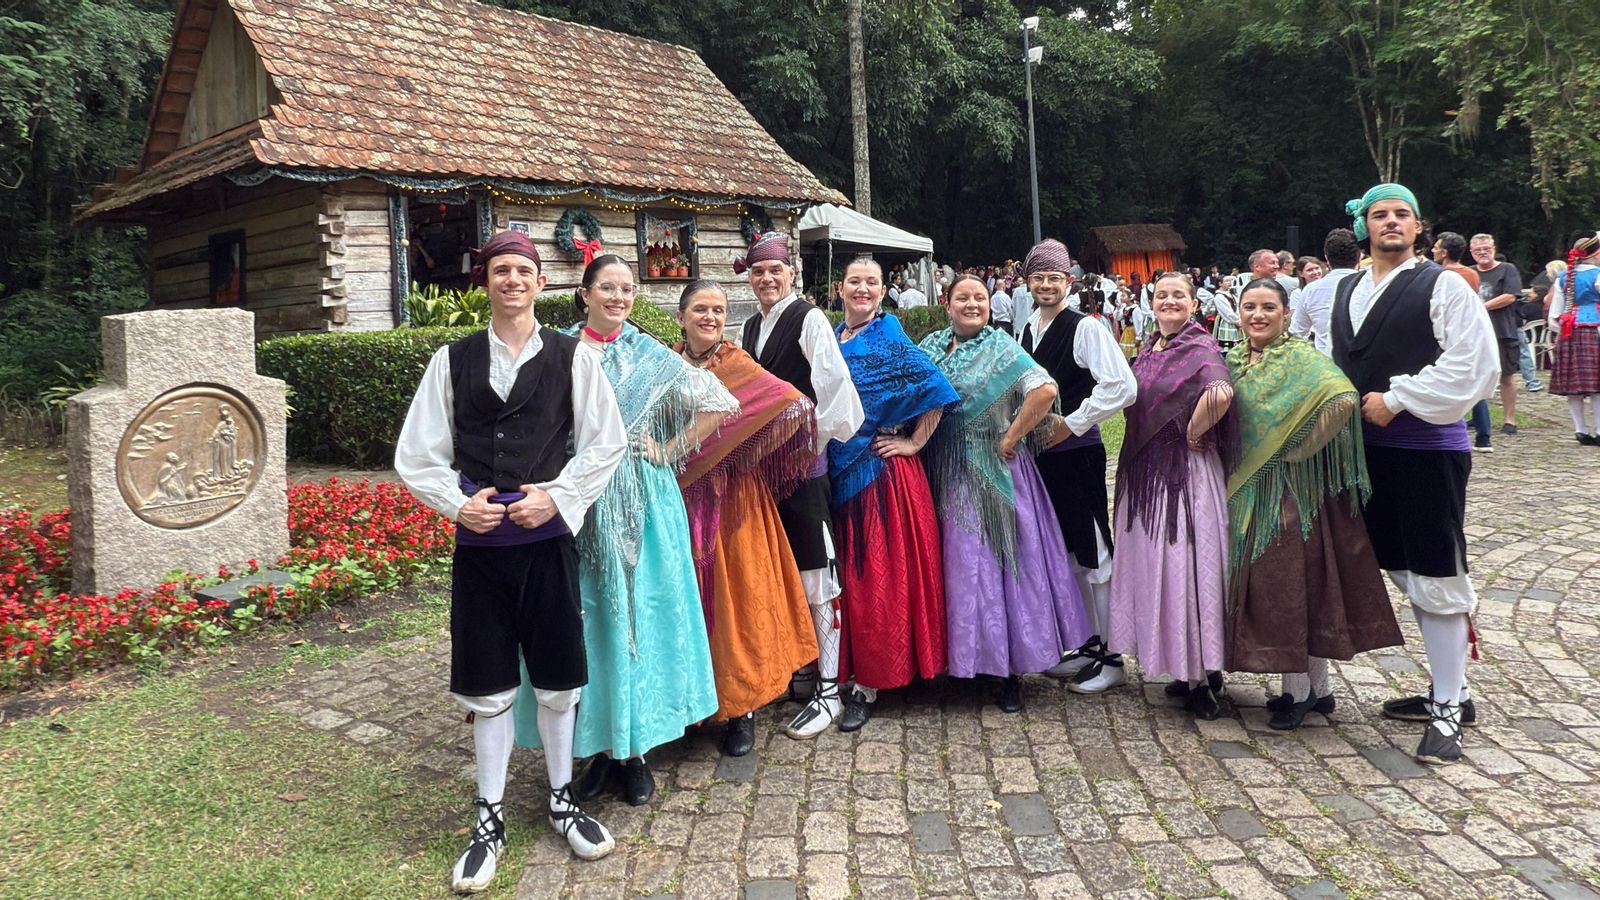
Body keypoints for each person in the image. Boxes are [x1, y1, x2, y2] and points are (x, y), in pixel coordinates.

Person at [394, 230, 626, 889]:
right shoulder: (453, 359)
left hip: (547, 545)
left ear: (540, 282)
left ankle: (561, 799)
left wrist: (554, 498)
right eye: (501, 271)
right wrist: (456, 505)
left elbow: (605, 444)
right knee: (489, 686)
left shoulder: (572, 356)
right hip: (480, 552)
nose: (513, 281)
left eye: (523, 270)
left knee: (557, 682)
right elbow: (417, 454)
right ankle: (488, 817)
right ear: (486, 280)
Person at [513, 256, 735, 808]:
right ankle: (592, 750)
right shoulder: (555, 350)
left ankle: (633, 752)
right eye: (607, 288)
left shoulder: (650, 354)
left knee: (636, 618)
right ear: (584, 294)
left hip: (644, 501)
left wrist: (667, 448)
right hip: (576, 504)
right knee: (586, 621)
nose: (618, 297)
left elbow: (718, 403)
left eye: (627, 289)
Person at [1330, 184, 1497, 765]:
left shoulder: (1444, 284)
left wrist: (1399, 398)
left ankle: (1449, 704)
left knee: (1434, 569)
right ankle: (1457, 687)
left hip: (1426, 448)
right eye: (1380, 215)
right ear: (1363, 227)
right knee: (1396, 564)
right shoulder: (1348, 288)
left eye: (1402, 213)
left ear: (1419, 226)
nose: (1392, 222)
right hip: (1363, 453)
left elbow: (1474, 363)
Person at [1223, 278, 1402, 730]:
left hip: (1290, 498)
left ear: (1287, 314)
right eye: (1249, 307)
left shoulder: (1303, 359)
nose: (1258, 315)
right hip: (1252, 493)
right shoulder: (1236, 359)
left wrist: (1299, 449)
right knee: (1287, 589)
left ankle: (1296, 694)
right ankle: (1319, 691)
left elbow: (1341, 396)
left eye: (1268, 307)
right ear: (1238, 313)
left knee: (1289, 588)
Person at [918, 274, 1090, 712]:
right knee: (954, 571)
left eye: (979, 297)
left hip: (993, 472)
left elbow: (1046, 389)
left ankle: (1009, 669)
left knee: (997, 569)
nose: (972, 304)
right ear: (947, 302)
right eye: (963, 298)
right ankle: (963, 661)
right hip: (939, 470)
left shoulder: (1001, 347)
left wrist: (1011, 438)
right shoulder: (932, 347)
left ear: (989, 305)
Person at [812, 257, 958, 734]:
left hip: (880, 475)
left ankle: (870, 682)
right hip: (837, 469)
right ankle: (844, 666)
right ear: (840, 287)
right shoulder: (833, 337)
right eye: (855, 281)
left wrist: (914, 441)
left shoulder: (890, 337)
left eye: (871, 282)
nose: (862, 289)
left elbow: (936, 387)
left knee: (872, 577)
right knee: (843, 578)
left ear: (882, 290)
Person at [673, 279, 822, 747]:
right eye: (700, 309)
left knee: (737, 598)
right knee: (691, 601)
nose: (710, 317)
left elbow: (793, 405)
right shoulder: (668, 364)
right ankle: (693, 704)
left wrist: (748, 452)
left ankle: (743, 709)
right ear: (681, 317)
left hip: (734, 500)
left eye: (718, 310)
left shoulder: (736, 363)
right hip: (680, 497)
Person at [737, 233, 865, 756]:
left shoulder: (808, 319)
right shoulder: (748, 326)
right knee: (781, 565)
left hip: (803, 468)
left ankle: (831, 688)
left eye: (776, 270)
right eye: (759, 271)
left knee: (817, 568)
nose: (767, 278)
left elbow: (838, 396)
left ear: (792, 273)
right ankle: (803, 667)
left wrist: (804, 441)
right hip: (763, 471)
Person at [1108, 272, 1236, 720]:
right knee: (1163, 570)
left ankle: (1202, 678)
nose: (1168, 301)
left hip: (1183, 477)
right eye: (1161, 295)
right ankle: (1186, 669)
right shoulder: (1152, 346)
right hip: (1149, 474)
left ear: (1193, 301)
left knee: (1186, 570)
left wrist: (1195, 432)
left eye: (1177, 295)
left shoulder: (1199, 345)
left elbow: (1220, 391)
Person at [1015, 240, 1138, 695]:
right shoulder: (1028, 327)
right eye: (1038, 277)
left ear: (1069, 281)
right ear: (1027, 282)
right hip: (1043, 460)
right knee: (1070, 554)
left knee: (1095, 553)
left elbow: (1122, 385)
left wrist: (1074, 422)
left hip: (1078, 454)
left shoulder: (1085, 328)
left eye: (1054, 277)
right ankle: (1089, 644)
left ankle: (1112, 655)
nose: (1046, 285)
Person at [1470, 233, 1524, 449]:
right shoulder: (1469, 272)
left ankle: (1509, 419)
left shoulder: (1507, 269)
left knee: (1506, 376)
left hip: (1502, 329)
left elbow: (1511, 296)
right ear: (1471, 252)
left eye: (1486, 248)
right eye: (1478, 250)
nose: (1482, 252)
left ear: (1493, 248)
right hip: (1476, 332)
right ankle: (1478, 416)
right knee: (1475, 375)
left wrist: (1482, 307)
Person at [1548, 232, 1600, 444]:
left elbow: (1554, 315)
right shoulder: (1598, 274)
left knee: (1574, 386)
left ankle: (1580, 430)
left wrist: (1559, 331)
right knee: (1598, 387)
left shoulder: (1564, 277)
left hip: (1569, 332)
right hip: (1593, 331)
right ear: (1595, 253)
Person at [1291, 229, 1362, 356]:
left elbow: (1296, 334)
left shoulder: (1311, 290)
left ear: (1326, 258)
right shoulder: (1375, 285)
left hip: (1325, 366)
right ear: (1359, 257)